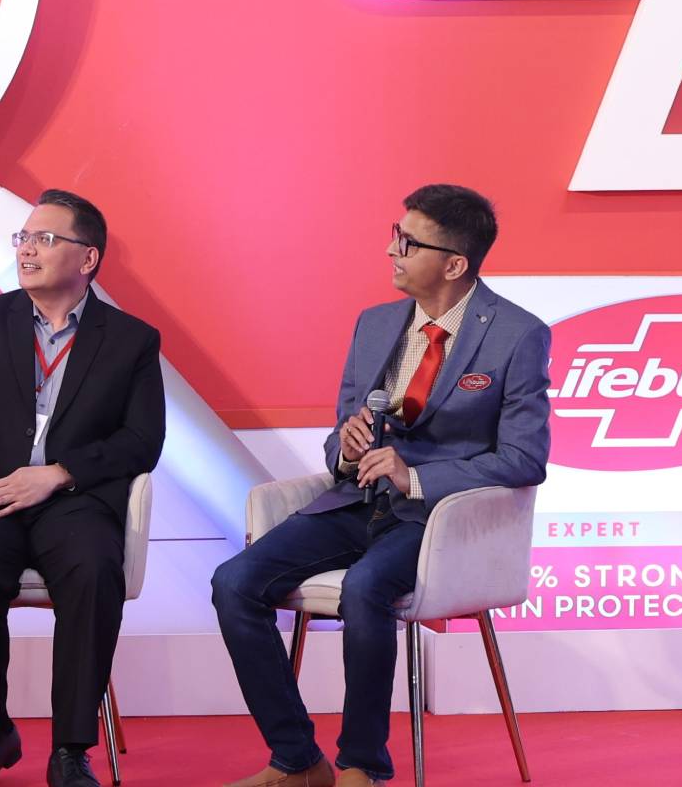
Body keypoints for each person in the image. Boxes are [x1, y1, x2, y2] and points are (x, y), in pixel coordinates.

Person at [211, 185, 552, 787]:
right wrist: (345, 449)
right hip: (356, 501)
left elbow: (526, 458)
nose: (391, 250)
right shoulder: (375, 325)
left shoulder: (516, 335)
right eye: (397, 234)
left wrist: (417, 476)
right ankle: (296, 759)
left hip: (440, 518)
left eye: (408, 242)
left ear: (454, 263)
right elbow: (339, 434)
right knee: (234, 582)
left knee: (366, 588)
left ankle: (361, 766)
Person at [0, 189, 166, 787]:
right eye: (23, 238)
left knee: (96, 571)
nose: (27, 249)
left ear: (88, 259)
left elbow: (141, 440)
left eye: (45, 239)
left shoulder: (130, 339)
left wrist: (59, 472)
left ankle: (71, 749)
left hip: (72, 501)